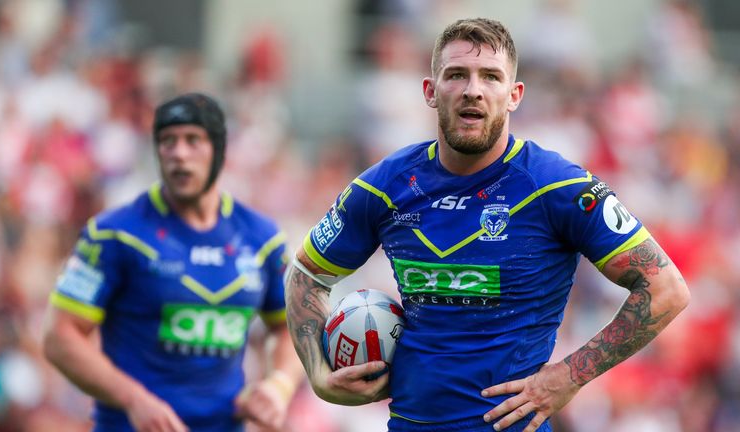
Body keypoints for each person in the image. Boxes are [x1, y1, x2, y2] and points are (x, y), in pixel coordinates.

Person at [284, 18, 690, 432]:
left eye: (491, 77)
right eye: (456, 74)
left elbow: (666, 289)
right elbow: (304, 273)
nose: (472, 90)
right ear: (430, 91)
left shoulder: (558, 186)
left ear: (514, 96)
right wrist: (318, 375)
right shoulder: (385, 186)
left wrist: (568, 377)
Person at [42, 92, 302, 432]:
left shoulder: (262, 237)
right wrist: (134, 399)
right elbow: (60, 337)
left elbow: (291, 327)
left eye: (193, 141)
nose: (179, 154)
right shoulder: (114, 234)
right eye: (168, 142)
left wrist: (278, 387)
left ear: (219, 152)